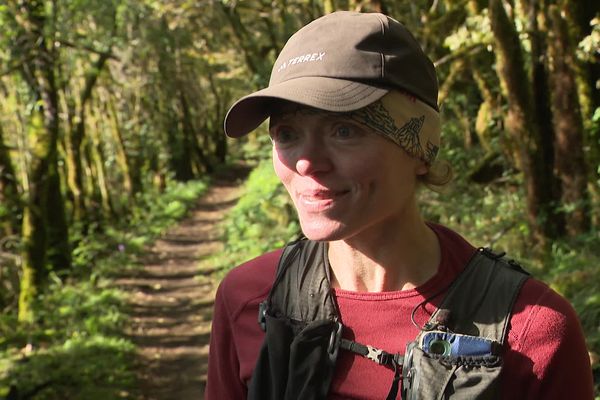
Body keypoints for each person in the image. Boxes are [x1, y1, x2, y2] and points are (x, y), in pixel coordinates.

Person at [205, 11, 594, 400]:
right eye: (287, 134)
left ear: (419, 149)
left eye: (344, 130)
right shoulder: (248, 299)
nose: (306, 162)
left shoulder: (534, 330)